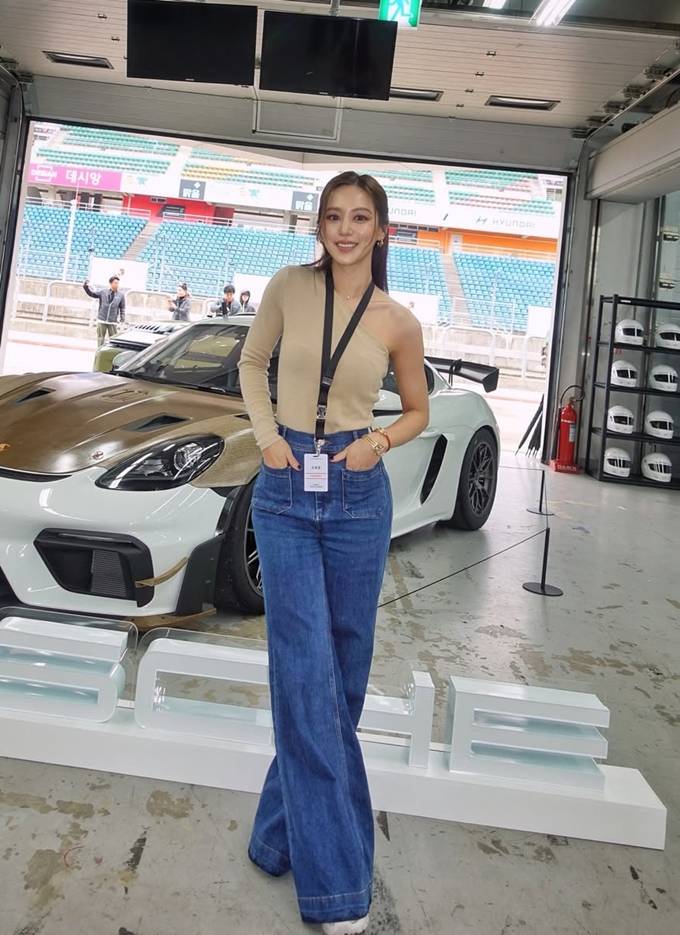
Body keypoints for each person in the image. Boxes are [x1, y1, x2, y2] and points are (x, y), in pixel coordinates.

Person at [238, 171, 429, 935]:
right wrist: (266, 437)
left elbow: (416, 411)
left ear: (382, 230)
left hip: (357, 491)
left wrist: (377, 441)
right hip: (285, 487)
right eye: (332, 216)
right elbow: (251, 363)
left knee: (340, 681)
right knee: (304, 673)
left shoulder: (398, 321)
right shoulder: (288, 286)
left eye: (360, 217)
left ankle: (275, 837)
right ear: (319, 225)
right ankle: (338, 884)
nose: (345, 229)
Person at [83, 275, 126, 347]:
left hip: (113, 321)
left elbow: (122, 308)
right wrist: (86, 287)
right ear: (111, 283)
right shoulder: (103, 292)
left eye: (118, 283)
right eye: (115, 283)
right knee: (100, 338)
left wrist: (122, 318)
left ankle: (111, 351)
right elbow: (92, 294)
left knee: (113, 339)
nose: (117, 285)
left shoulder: (121, 295)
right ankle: (99, 350)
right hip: (102, 319)